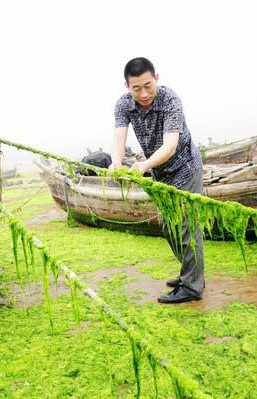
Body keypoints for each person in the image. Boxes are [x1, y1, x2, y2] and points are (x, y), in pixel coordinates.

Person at [110, 57, 205, 303]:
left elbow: (170, 145)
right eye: (136, 88)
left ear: (157, 79)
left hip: (185, 168)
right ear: (127, 86)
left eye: (148, 85)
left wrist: (143, 165)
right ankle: (190, 272)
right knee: (168, 227)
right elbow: (119, 137)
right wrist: (117, 162)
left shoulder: (170, 99)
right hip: (160, 174)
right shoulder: (123, 105)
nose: (143, 93)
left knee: (185, 227)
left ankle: (192, 287)